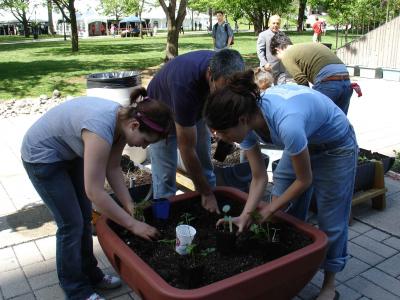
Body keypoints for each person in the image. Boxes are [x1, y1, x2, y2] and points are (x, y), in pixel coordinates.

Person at [204, 70, 358, 300]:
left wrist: (268, 208)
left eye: (224, 132)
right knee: (282, 210)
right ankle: (294, 267)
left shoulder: (287, 123)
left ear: (242, 120)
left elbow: (304, 180)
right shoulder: (245, 120)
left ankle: (329, 284)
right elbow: (259, 177)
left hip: (335, 147)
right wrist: (246, 215)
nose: (222, 138)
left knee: (331, 219)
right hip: (303, 142)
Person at [21, 89, 174, 300]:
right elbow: (94, 191)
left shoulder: (122, 123)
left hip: (68, 152)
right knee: (71, 224)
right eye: (146, 140)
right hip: (42, 156)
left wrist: (129, 204)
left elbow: (112, 168)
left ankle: (91, 274)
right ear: (135, 125)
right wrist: (133, 225)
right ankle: (76, 290)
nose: (144, 146)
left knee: (83, 217)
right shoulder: (101, 129)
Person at [147, 49, 245, 214]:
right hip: (159, 115)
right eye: (221, 90)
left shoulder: (224, 66)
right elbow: (186, 149)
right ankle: (162, 221)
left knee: (205, 166)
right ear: (209, 74)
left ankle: (211, 212)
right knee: (164, 179)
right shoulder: (185, 85)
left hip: (193, 107)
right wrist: (205, 193)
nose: (225, 95)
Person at [270, 32, 353, 114]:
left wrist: (307, 99)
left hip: (329, 83)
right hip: (346, 81)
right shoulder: (309, 46)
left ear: (278, 50)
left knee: (317, 120)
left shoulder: (287, 54)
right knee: (340, 121)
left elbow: (301, 79)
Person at [256, 15, 290, 85]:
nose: (275, 25)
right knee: (267, 90)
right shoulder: (263, 35)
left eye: (277, 23)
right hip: (268, 68)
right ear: (269, 24)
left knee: (281, 89)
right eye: (273, 23)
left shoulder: (283, 34)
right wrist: (264, 63)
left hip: (281, 69)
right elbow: (260, 51)